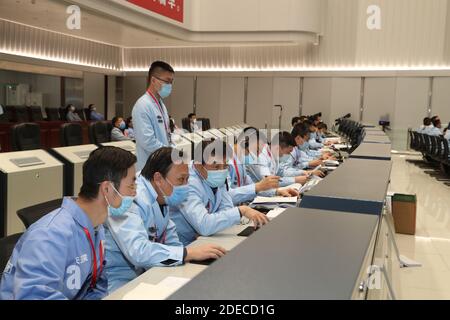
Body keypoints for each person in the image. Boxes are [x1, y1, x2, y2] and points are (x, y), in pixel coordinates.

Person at [0, 147, 137, 300]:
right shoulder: (49, 235)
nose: (134, 192)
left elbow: (95, 286)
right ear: (107, 188)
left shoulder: (96, 226)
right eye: (131, 184)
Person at [104, 147, 226, 292]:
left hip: (149, 271)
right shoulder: (131, 197)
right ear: (158, 178)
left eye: (187, 179)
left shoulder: (162, 195)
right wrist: (187, 253)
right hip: (121, 280)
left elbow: (171, 239)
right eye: (181, 180)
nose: (185, 186)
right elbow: (139, 252)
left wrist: (188, 257)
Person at [170, 139, 269, 246]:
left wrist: (213, 223)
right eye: (216, 166)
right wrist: (240, 211)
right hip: (186, 244)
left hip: (208, 237)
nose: (222, 170)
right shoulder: (187, 183)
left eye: (225, 165)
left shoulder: (215, 175)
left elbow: (226, 208)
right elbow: (204, 225)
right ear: (199, 165)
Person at [228, 127, 299, 205]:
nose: (258, 155)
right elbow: (228, 195)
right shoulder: (225, 162)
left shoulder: (241, 161)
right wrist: (258, 187)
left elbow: (252, 187)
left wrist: (277, 192)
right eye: (257, 150)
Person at [132, 61, 175, 171]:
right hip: (148, 166)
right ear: (153, 80)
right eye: (167, 81)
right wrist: (169, 153)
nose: (170, 85)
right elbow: (147, 141)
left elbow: (166, 134)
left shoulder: (161, 105)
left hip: (162, 164)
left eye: (172, 82)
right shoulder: (142, 105)